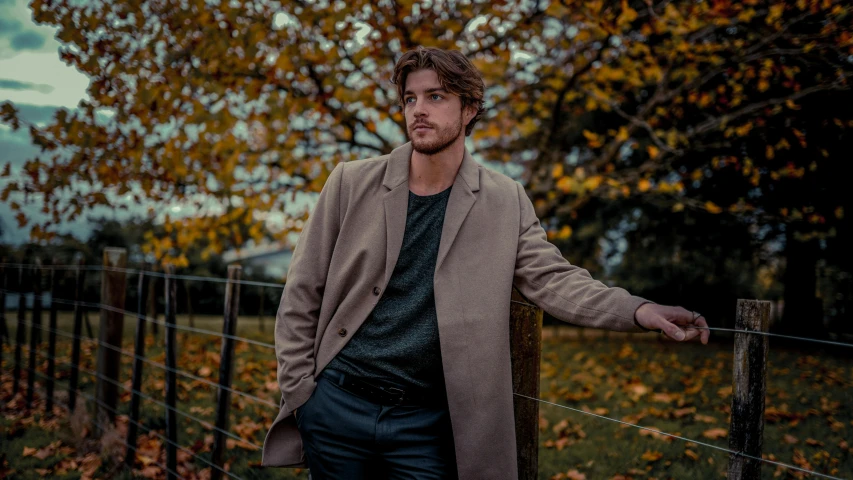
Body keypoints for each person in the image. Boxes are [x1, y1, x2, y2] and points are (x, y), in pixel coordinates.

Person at [260, 46, 710, 480]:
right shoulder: (350, 182)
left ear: (470, 109)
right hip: (337, 405)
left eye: (436, 97)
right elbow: (303, 290)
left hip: (427, 423)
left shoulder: (505, 200)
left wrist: (639, 310)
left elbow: (555, 280)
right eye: (410, 98)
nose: (419, 110)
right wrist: (303, 395)